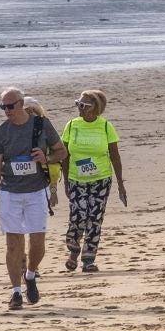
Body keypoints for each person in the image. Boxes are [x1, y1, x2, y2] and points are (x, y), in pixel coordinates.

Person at [0, 87, 65, 311]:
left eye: (10, 106)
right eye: (3, 107)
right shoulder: (1, 131)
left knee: (38, 243)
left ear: (21, 104)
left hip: (37, 191)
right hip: (10, 192)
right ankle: (16, 292)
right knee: (13, 244)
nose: (6, 110)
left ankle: (30, 275)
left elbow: (62, 152)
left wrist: (45, 157)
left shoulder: (41, 125)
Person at [60, 90, 126, 274]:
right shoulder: (72, 125)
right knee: (78, 216)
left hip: (101, 180)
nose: (79, 108)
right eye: (77, 103)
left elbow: (115, 156)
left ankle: (88, 259)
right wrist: (65, 181)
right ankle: (73, 252)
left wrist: (121, 184)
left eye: (83, 105)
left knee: (94, 219)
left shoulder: (106, 127)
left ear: (96, 108)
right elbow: (64, 156)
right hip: (76, 179)